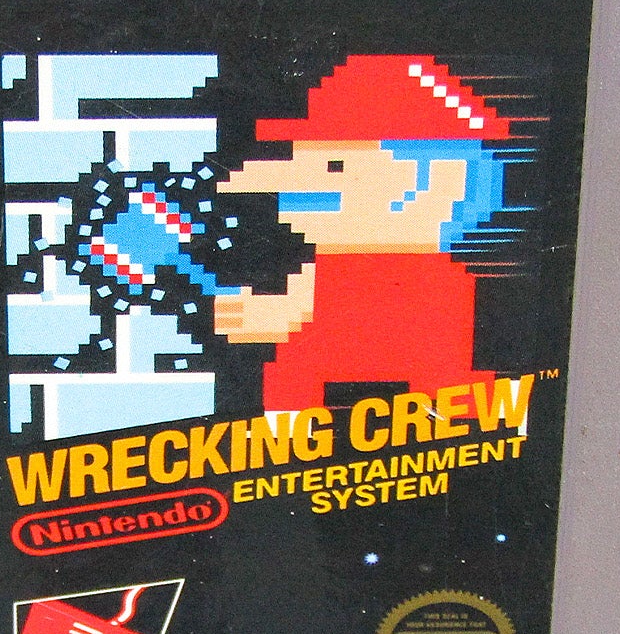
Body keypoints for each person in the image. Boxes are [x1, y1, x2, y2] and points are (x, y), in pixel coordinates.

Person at [213, 55, 514, 410]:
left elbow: (424, 363)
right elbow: (304, 328)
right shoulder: (324, 269)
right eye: (298, 158)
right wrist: (268, 317)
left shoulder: (437, 284)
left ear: (440, 182)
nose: (291, 185)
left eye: (334, 166)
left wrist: (282, 317)